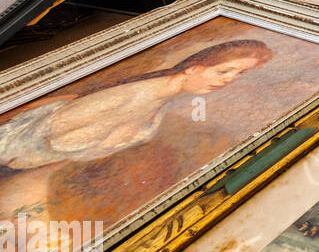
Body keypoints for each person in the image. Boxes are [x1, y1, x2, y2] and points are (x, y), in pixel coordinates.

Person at [0, 41, 273, 175]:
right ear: (194, 67)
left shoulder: (159, 98)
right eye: (224, 71)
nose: (227, 81)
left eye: (238, 75)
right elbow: (47, 141)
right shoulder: (130, 98)